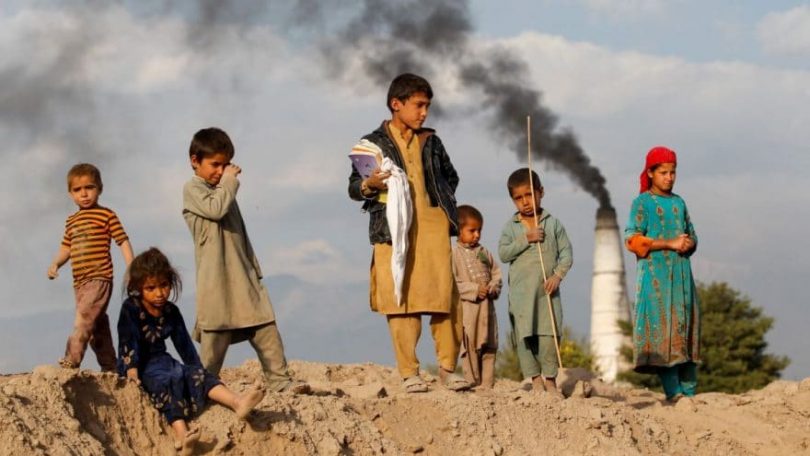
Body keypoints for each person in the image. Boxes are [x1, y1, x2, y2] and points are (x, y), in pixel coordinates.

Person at [348, 73, 470, 393]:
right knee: (401, 300)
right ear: (396, 104)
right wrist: (369, 185)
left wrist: (440, 208)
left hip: (432, 227)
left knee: (444, 297)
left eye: (427, 105)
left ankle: (447, 368)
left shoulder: (431, 140)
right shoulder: (370, 144)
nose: (424, 112)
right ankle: (409, 372)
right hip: (391, 230)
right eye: (418, 105)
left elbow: (450, 177)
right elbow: (354, 187)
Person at [182, 127, 308, 394]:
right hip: (215, 281)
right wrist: (229, 181)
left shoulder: (223, 191)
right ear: (195, 161)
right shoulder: (193, 189)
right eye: (214, 164)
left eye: (225, 164)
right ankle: (202, 391)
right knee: (214, 343)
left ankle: (280, 381)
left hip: (243, 275)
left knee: (265, 326)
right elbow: (215, 210)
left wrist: (254, 269)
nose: (221, 171)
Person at [117, 248, 265, 456]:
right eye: (151, 288)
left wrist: (199, 371)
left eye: (164, 285)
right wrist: (131, 369)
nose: (159, 293)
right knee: (166, 381)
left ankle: (237, 402)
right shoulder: (130, 308)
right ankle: (182, 434)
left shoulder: (171, 311)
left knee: (193, 374)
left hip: (163, 360)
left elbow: (184, 345)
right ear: (138, 288)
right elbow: (127, 339)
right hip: (143, 367)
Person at [624, 146, 700, 402]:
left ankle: (689, 393)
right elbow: (632, 239)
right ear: (651, 173)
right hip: (655, 281)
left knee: (685, 331)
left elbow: (692, 234)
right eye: (664, 172)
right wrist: (669, 243)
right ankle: (674, 394)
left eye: (673, 172)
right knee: (663, 335)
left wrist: (689, 243)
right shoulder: (642, 203)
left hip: (681, 280)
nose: (669, 177)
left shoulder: (679, 203)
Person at [47, 163, 134, 371]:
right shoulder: (72, 221)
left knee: (84, 318)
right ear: (70, 194)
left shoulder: (107, 215)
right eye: (77, 190)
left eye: (89, 187)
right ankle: (111, 366)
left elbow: (122, 240)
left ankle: (72, 359)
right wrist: (56, 263)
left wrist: (132, 266)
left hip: (100, 277)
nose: (84, 194)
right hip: (80, 282)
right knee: (96, 327)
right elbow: (66, 247)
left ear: (100, 189)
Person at [498, 168, 572, 397]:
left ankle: (551, 381)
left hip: (547, 295)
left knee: (549, 337)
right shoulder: (512, 227)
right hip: (521, 297)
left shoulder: (553, 224)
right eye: (518, 198)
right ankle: (536, 380)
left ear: (541, 192)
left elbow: (567, 254)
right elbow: (503, 253)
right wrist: (526, 238)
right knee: (525, 338)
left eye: (529, 195)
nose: (525, 202)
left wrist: (557, 276)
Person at [452, 205, 502, 390]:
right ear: (458, 230)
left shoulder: (484, 252)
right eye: (472, 230)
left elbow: (496, 273)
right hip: (469, 312)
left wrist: (492, 287)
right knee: (470, 346)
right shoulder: (454, 254)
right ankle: (472, 381)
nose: (477, 235)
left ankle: (487, 383)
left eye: (479, 230)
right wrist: (473, 290)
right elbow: (453, 282)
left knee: (489, 345)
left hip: (487, 310)